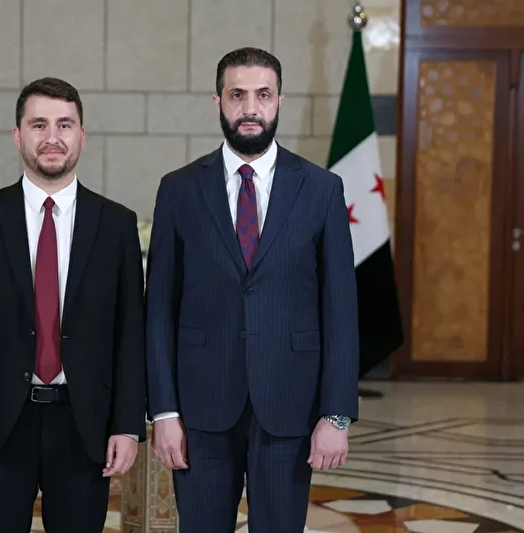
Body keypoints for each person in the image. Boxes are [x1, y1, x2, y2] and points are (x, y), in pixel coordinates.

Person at [144, 47, 360, 532]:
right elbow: (158, 309)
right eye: (237, 94)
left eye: (263, 95)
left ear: (280, 101)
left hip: (290, 406)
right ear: (217, 101)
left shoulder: (321, 189)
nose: (250, 108)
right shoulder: (179, 189)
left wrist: (337, 415)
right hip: (200, 410)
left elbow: (341, 310)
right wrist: (164, 411)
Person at [0, 76, 147, 533]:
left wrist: (127, 425)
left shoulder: (116, 224)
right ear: (18, 135)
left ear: (82, 136)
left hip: (84, 424)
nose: (52, 137)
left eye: (64, 125)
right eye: (39, 125)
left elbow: (131, 333)